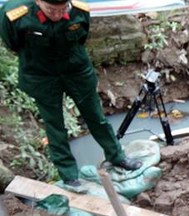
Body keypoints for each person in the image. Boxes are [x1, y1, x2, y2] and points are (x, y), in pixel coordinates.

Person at [0, 0, 142, 192]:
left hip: (76, 71)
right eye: (51, 10)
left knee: (96, 118)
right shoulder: (16, 15)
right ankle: (69, 175)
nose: (57, 15)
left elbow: (81, 37)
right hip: (42, 76)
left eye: (62, 9)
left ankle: (117, 156)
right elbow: (13, 44)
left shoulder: (79, 10)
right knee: (55, 126)